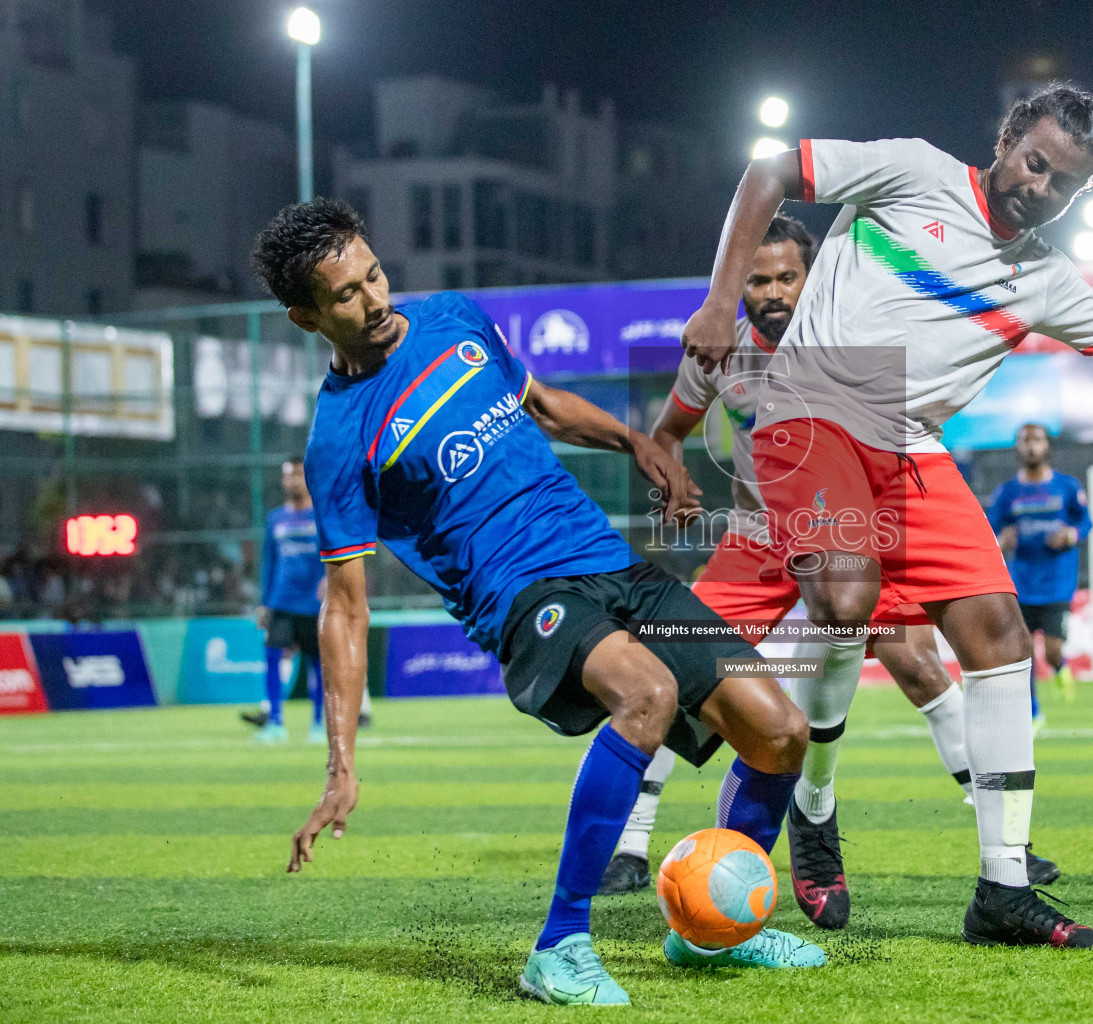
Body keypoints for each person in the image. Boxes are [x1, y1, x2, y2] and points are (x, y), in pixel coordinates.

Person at [682, 82, 1093, 949]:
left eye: (1062, 183)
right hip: (815, 413)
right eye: (1034, 162)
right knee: (845, 604)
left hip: (909, 445)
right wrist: (719, 302)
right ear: (1004, 140)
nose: (1038, 187)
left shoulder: (1041, 278)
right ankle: (812, 803)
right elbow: (769, 168)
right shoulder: (912, 172)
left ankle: (1001, 889)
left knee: (998, 635)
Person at [253, 198, 828, 1007]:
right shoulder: (338, 439)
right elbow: (344, 606)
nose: (375, 300)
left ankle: (714, 928)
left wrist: (637, 441)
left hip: (608, 564)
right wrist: (340, 764)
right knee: (647, 694)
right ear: (305, 316)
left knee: (780, 733)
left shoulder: (452, 318)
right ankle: (557, 946)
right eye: (346, 294)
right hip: (524, 598)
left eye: (374, 274)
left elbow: (542, 402)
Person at [598, 216, 1058, 922]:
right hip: (757, 535)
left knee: (919, 668)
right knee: (675, 668)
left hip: (847, 530)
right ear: (734, 286)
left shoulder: (853, 332)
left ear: (812, 278)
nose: (775, 292)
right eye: (757, 279)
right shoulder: (717, 351)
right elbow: (668, 430)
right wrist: (669, 473)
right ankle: (630, 846)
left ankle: (1000, 839)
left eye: (788, 276)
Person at [243, 455, 374, 743]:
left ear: (308, 477)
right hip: (281, 602)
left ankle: (318, 725)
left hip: (316, 605)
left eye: (298, 475)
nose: (292, 481)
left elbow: (343, 554)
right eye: (288, 475)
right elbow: (269, 562)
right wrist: (264, 602)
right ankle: (275, 723)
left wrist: (332, 579)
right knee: (273, 657)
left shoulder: (324, 516)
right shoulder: (275, 518)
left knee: (320, 664)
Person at [988, 424, 1090, 730]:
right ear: (1017, 448)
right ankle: (1034, 713)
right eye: (1024, 441)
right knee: (1024, 650)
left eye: (1036, 440)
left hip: (1057, 582)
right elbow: (991, 531)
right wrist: (1001, 541)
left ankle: (1061, 667)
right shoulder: (1007, 492)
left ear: (1047, 446)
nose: (1031, 447)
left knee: (1053, 650)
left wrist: (1071, 534)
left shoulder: (1067, 487)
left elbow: (1085, 522)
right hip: (1021, 582)